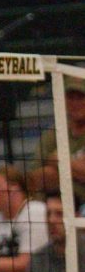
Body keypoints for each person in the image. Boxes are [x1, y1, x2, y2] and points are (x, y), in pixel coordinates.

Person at [28, 74, 85, 207]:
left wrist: (58, 160)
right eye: (70, 97)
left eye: (81, 97)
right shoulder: (53, 134)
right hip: (52, 207)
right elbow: (34, 178)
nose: (75, 103)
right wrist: (76, 169)